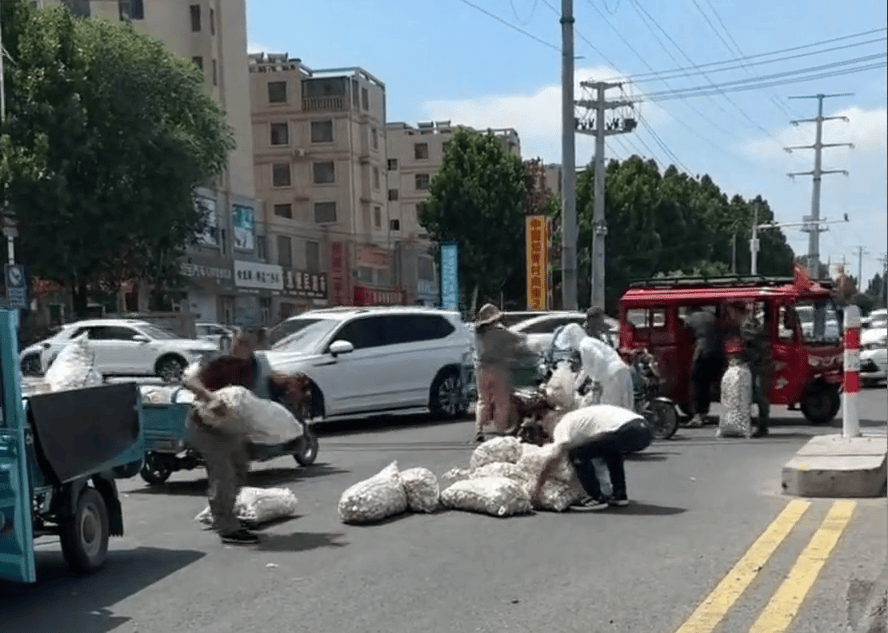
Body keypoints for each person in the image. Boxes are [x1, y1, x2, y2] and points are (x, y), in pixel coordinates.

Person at [185, 332, 300, 545]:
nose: (241, 347)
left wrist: (287, 381)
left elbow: (269, 381)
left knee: (239, 469)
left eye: (247, 344)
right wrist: (211, 398)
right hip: (206, 425)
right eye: (239, 342)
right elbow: (190, 380)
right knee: (224, 473)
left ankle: (221, 513)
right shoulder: (217, 360)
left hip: (231, 427)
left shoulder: (255, 366)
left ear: (255, 346)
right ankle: (227, 527)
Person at [532, 404, 651, 510]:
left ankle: (595, 497)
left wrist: (538, 487)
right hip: (645, 430)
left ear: (548, 422)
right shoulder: (577, 417)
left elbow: (554, 457)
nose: (547, 434)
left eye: (544, 430)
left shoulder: (562, 425)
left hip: (626, 430)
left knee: (577, 453)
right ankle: (620, 495)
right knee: (611, 451)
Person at [473, 303, 535, 442]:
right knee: (502, 401)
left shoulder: (478, 333)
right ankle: (500, 431)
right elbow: (519, 338)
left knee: (483, 400)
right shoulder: (500, 332)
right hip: (499, 368)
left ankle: (479, 429)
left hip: (481, 368)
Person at [684, 306, 723, 428]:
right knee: (707, 384)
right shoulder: (711, 317)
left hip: (702, 353)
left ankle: (698, 415)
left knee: (697, 384)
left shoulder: (690, 318)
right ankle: (704, 412)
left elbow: (684, 333)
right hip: (717, 353)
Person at [740, 304, 773, 438]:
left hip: (760, 366)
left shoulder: (754, 331)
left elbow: (750, 336)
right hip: (753, 365)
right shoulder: (751, 327)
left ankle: (762, 427)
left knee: (760, 396)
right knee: (748, 396)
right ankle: (751, 425)